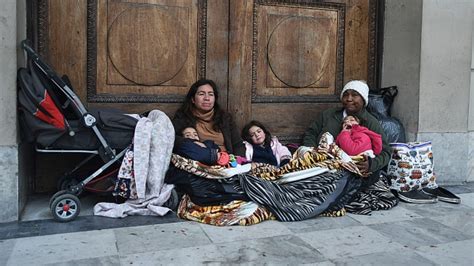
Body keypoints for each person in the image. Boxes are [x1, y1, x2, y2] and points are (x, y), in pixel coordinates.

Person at [303, 80, 391, 187]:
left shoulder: (371, 122)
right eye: (345, 95)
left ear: (363, 100)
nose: (349, 99)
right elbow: (311, 133)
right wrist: (311, 151)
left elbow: (386, 152)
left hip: (352, 170)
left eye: (354, 95)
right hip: (323, 164)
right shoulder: (328, 115)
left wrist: (371, 164)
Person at [172, 79, 246, 157]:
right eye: (201, 94)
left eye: (211, 94)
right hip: (200, 162)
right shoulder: (183, 116)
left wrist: (238, 162)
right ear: (193, 99)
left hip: (227, 162)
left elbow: (238, 144)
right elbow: (173, 139)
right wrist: (192, 142)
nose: (207, 98)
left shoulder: (224, 117)